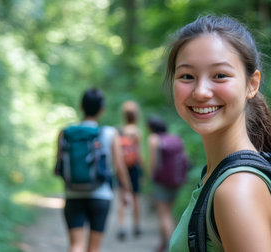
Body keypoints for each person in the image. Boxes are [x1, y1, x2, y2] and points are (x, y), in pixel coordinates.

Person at [164, 15, 271, 251]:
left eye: (220, 75)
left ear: (252, 84)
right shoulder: (217, 175)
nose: (201, 92)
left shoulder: (237, 190)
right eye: (187, 76)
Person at [55, 88, 132, 252]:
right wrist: (126, 191)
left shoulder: (65, 133)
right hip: (101, 195)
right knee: (94, 248)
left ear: (80, 107)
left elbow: (58, 166)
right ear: (102, 110)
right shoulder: (110, 133)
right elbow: (120, 168)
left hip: (73, 194)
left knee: (76, 245)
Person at [147, 115, 189, 252]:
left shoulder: (154, 139)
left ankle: (171, 246)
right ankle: (163, 243)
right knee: (168, 213)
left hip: (161, 182)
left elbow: (153, 162)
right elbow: (185, 158)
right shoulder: (175, 138)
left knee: (163, 214)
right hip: (175, 180)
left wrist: (150, 176)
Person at [116, 100, 143, 240]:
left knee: (122, 198)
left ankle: (121, 226)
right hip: (134, 167)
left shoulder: (119, 131)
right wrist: (142, 171)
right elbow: (138, 154)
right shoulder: (137, 132)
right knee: (135, 197)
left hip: (122, 167)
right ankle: (136, 225)